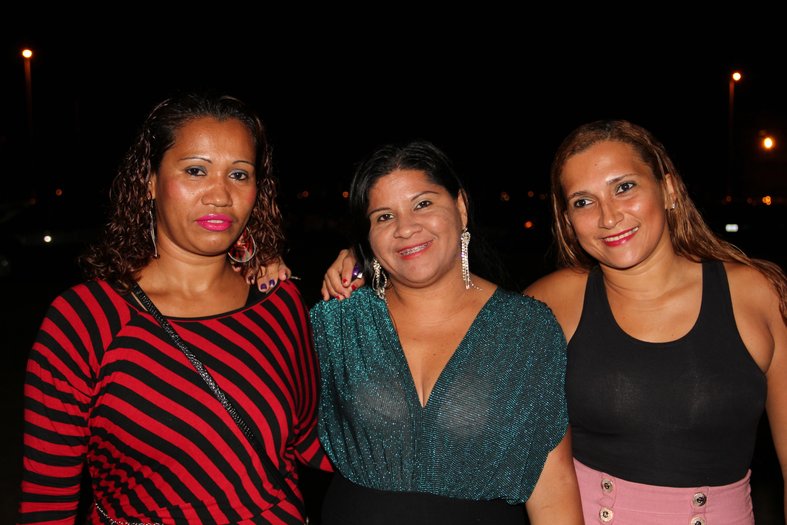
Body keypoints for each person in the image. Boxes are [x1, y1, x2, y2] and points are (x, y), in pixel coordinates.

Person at [319, 120, 787, 524]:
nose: (608, 216)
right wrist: (359, 260)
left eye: (624, 187)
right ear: (567, 219)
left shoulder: (758, 294)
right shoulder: (553, 303)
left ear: (667, 189)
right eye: (583, 202)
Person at [17, 91, 330, 525]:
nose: (220, 194)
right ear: (150, 181)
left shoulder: (279, 301)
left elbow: (316, 443)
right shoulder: (86, 320)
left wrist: (372, 282)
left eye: (239, 174)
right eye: (196, 170)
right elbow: (47, 503)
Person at [309, 140, 583, 524]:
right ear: (367, 235)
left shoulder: (526, 330)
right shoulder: (338, 321)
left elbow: (553, 489)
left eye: (423, 204)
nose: (406, 228)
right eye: (384, 217)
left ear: (461, 207)